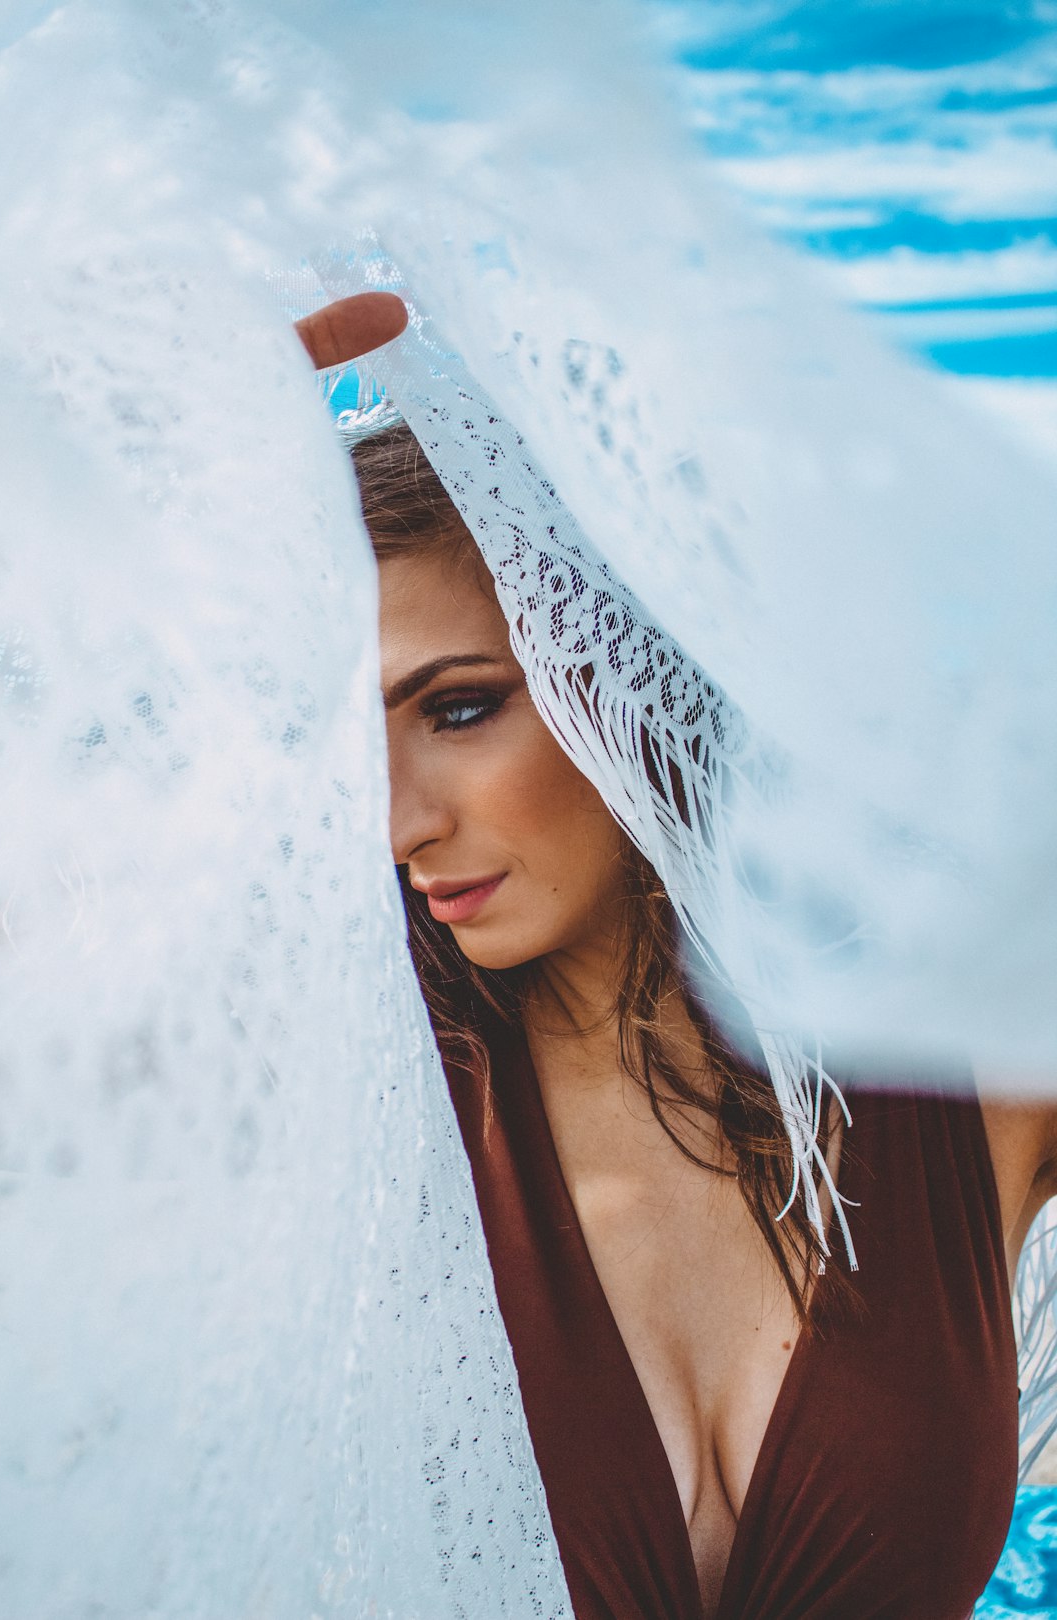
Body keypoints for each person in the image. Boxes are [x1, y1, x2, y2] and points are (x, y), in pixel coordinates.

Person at [297, 293, 1057, 1620]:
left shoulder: (961, 1054)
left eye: (460, 709)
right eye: (343, 742)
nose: (396, 820)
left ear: (639, 666)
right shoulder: (359, 1073)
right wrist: (126, 465)